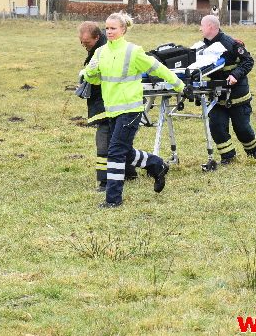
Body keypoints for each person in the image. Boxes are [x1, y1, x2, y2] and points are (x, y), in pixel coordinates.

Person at [82, 12, 184, 208]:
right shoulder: (100, 52)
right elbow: (93, 79)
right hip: (111, 111)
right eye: (107, 28)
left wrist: (179, 85)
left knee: (115, 152)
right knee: (124, 152)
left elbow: (158, 68)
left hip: (131, 110)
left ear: (123, 30)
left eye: (113, 28)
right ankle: (157, 165)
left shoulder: (133, 51)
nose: (109, 31)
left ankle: (113, 199)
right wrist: (89, 71)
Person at [77, 21, 139, 193]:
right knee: (117, 142)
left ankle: (105, 182)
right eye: (81, 42)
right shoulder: (99, 49)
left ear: (97, 37)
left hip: (109, 104)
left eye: (87, 42)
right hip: (108, 104)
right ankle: (130, 172)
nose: (84, 45)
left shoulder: (103, 51)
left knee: (104, 142)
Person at [198, 14, 256, 164]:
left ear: (211, 27)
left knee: (242, 129)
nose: (200, 28)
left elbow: (248, 61)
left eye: (202, 25)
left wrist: (235, 75)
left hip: (237, 95)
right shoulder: (203, 46)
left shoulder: (231, 44)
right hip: (217, 95)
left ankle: (254, 153)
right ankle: (228, 157)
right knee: (216, 126)